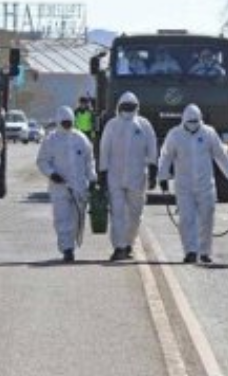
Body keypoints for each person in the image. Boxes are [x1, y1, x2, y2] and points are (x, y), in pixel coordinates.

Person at [157, 104, 228, 264]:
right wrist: (163, 178)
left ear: (200, 120)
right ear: (183, 121)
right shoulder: (175, 135)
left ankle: (205, 251)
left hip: (205, 185)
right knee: (187, 219)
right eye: (189, 122)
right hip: (184, 186)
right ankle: (190, 251)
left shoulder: (209, 133)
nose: (192, 125)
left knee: (207, 218)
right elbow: (165, 157)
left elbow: (220, 155)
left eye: (195, 121)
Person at [98, 91, 157, 261]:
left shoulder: (144, 125)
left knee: (135, 214)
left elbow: (152, 148)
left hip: (137, 178)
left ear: (137, 108)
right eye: (125, 106)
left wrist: (153, 170)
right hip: (115, 177)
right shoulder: (112, 125)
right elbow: (104, 150)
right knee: (117, 213)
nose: (128, 110)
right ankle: (119, 247)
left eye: (131, 107)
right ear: (119, 107)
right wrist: (102, 173)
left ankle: (128, 242)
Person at [36, 106, 96, 262]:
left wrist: (93, 179)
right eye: (64, 122)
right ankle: (67, 249)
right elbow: (42, 161)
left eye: (69, 122)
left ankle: (71, 244)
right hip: (59, 188)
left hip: (79, 187)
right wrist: (51, 174)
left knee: (76, 219)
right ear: (58, 122)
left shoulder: (81, 139)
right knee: (62, 219)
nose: (67, 125)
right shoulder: (50, 140)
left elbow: (89, 162)